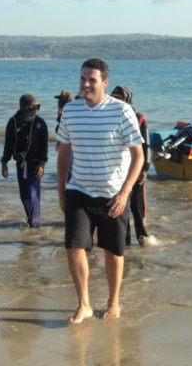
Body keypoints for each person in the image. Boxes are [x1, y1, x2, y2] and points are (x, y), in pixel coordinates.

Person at [56, 58, 144, 324]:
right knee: (73, 247)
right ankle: (83, 304)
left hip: (112, 194)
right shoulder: (71, 111)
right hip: (79, 191)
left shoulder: (122, 111)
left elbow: (138, 155)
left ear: (104, 82)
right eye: (83, 78)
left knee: (113, 252)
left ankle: (113, 301)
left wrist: (124, 193)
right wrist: (61, 191)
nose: (85, 84)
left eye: (92, 80)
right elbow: (63, 153)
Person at [110, 86, 151, 246]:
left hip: (136, 170)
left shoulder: (139, 118)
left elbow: (146, 145)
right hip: (118, 171)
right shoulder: (111, 115)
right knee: (121, 207)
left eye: (120, 98)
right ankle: (124, 242)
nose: (117, 100)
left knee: (137, 207)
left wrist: (144, 170)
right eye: (115, 97)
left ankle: (143, 239)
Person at [0, 94, 48, 227]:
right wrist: (4, 162)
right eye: (33, 108)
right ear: (24, 108)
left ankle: (34, 223)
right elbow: (8, 144)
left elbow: (44, 146)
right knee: (24, 194)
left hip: (35, 164)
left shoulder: (40, 123)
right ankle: (31, 219)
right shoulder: (13, 122)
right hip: (20, 163)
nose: (35, 111)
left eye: (37, 108)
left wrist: (42, 163)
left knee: (33, 192)